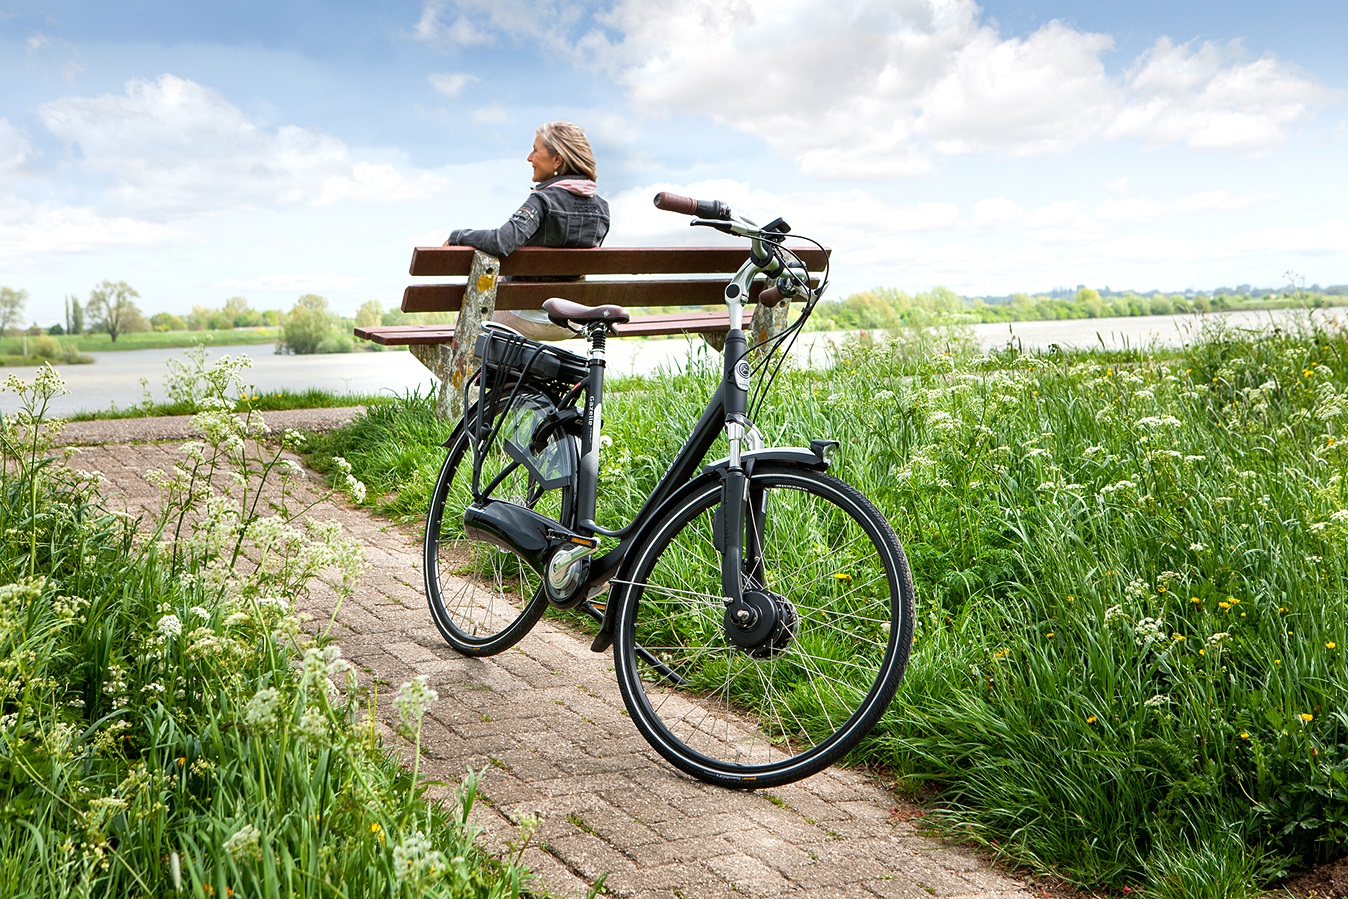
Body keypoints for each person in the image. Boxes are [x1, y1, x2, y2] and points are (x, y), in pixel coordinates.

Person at [445, 121, 610, 340]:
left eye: (535, 150)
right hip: (573, 320)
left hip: (528, 317)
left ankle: (492, 375)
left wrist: (457, 236)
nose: (529, 158)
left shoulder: (543, 199)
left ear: (557, 159)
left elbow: (501, 241)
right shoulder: (602, 208)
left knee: (466, 322)